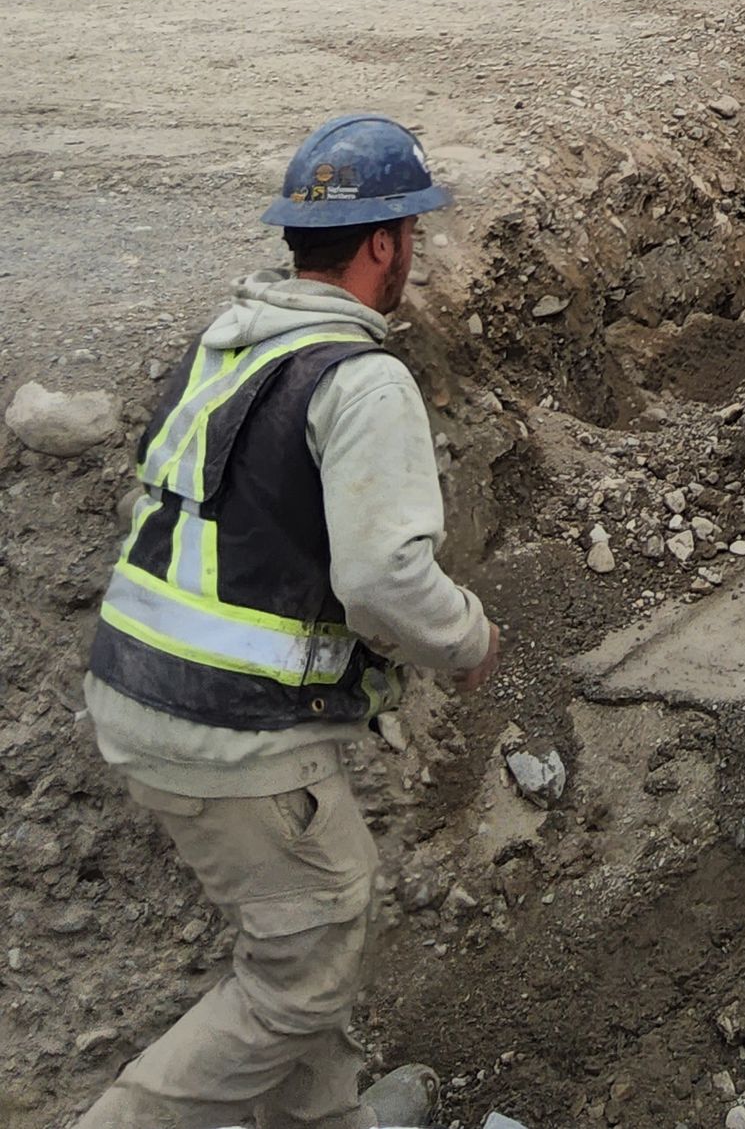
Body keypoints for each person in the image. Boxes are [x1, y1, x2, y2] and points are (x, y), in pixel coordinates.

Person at [78, 115, 499, 1129]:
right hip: (228, 725)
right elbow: (383, 575)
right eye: (412, 237)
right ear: (386, 242)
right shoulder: (358, 378)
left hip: (139, 687)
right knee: (303, 968)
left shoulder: (227, 347)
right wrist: (467, 638)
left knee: (308, 925)